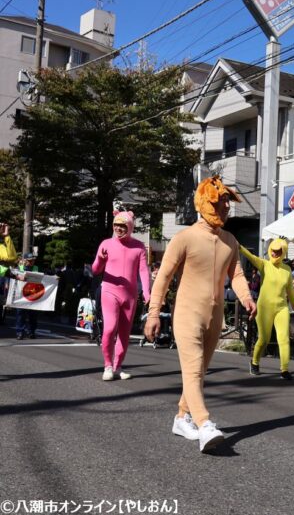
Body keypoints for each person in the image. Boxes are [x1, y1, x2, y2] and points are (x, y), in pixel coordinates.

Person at [144, 176, 256, 453]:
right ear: (206, 203)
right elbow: (163, 278)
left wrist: (246, 297)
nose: (226, 208)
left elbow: (237, 274)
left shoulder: (230, 240)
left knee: (199, 372)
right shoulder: (185, 238)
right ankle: (204, 424)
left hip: (215, 317)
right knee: (193, 371)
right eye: (221, 203)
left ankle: (181, 418)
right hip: (187, 313)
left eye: (228, 204)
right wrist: (153, 313)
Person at [92, 211, 151, 380]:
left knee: (125, 333)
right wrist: (101, 260)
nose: (118, 228)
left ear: (130, 227)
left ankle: (118, 366)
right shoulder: (106, 244)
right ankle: (108, 366)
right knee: (110, 328)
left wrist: (147, 293)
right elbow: (96, 270)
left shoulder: (139, 246)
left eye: (123, 226)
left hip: (130, 295)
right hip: (109, 291)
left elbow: (143, 271)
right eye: (116, 225)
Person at [240, 238, 294, 379]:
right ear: (270, 249)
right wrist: (239, 246)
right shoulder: (264, 264)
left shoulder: (287, 270)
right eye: (273, 250)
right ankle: (254, 362)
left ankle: (284, 369)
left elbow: (290, 291)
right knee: (264, 339)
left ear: (283, 252)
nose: (275, 253)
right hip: (264, 307)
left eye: (279, 251)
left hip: (282, 308)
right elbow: (251, 257)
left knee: (284, 339)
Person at [14, 252, 39, 339]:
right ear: (25, 260)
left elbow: (44, 278)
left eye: (32, 260)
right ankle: (19, 332)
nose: (31, 262)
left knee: (33, 314)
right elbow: (13, 276)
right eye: (29, 260)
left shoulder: (36, 268)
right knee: (20, 314)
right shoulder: (20, 267)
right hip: (21, 295)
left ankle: (31, 332)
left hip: (33, 294)